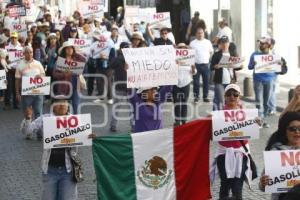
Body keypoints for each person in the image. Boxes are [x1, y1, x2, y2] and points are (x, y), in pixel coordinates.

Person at [20, 98, 94, 200]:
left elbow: (85, 136)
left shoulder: (75, 121)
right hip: (50, 171)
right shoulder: (45, 119)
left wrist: (91, 136)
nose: (62, 105)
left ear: (68, 105)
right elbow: (27, 132)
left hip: (68, 171)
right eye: (59, 103)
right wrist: (28, 118)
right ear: (53, 107)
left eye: (64, 102)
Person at [210, 84, 254, 200]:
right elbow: (211, 135)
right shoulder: (218, 114)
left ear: (239, 96)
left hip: (241, 153)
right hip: (223, 154)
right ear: (224, 96)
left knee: (237, 186)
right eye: (229, 94)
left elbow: (253, 130)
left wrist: (257, 122)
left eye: (235, 94)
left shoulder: (247, 113)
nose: (232, 97)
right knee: (225, 184)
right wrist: (210, 123)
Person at [259, 112, 300, 200]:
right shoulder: (276, 153)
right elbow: (263, 187)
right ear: (284, 131)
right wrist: (263, 183)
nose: (297, 132)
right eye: (292, 129)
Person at [248, 37, 285, 128]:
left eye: (262, 43)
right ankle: (259, 121)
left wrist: (281, 64)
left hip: (270, 81)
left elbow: (280, 67)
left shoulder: (274, 55)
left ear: (268, 45)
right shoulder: (254, 54)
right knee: (259, 101)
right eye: (259, 43)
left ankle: (262, 120)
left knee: (266, 103)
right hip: (258, 81)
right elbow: (249, 67)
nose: (260, 45)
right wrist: (253, 64)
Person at [15, 46, 45, 139]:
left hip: (38, 92)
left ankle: (39, 133)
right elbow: (17, 80)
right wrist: (17, 93)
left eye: (31, 52)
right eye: (27, 52)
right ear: (24, 54)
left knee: (38, 113)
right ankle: (28, 132)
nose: (29, 54)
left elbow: (44, 75)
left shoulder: (38, 63)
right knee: (28, 114)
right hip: (26, 94)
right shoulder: (20, 65)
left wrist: (40, 76)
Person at [52, 41, 86, 114]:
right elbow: (54, 74)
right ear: (64, 50)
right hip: (63, 87)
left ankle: (76, 124)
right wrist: (64, 74)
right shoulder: (59, 61)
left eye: (71, 48)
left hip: (75, 86)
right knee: (64, 109)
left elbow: (84, 59)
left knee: (76, 107)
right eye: (67, 48)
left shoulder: (77, 59)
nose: (69, 50)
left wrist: (76, 53)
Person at [211, 36, 242, 110]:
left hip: (231, 81)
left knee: (229, 100)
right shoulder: (217, 54)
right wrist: (216, 66)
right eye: (223, 43)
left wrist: (240, 66)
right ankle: (217, 116)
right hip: (219, 81)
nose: (224, 44)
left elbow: (236, 67)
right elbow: (211, 67)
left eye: (226, 42)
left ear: (229, 43)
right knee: (220, 99)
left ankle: (227, 116)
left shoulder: (233, 54)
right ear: (220, 44)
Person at [109, 42, 134, 132]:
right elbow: (111, 65)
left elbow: (111, 65)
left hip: (127, 87)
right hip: (123, 87)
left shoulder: (130, 58)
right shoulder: (119, 59)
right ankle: (114, 125)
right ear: (120, 49)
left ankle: (114, 125)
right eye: (125, 48)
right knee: (128, 108)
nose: (126, 50)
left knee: (125, 108)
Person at [89, 31, 115, 104]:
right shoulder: (95, 45)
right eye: (100, 39)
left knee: (108, 81)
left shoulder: (110, 44)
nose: (101, 40)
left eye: (102, 38)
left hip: (108, 66)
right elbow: (92, 54)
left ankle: (110, 98)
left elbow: (113, 56)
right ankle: (101, 97)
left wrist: (106, 58)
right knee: (99, 81)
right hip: (99, 65)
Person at [173, 43, 196, 126]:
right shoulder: (174, 58)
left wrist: (193, 68)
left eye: (183, 47)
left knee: (184, 102)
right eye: (180, 47)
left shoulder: (190, 58)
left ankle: (183, 120)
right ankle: (177, 120)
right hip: (176, 83)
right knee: (176, 102)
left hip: (186, 82)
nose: (182, 48)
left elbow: (194, 72)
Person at [189, 27, 213, 103]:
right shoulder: (192, 43)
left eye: (201, 33)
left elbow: (211, 52)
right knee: (196, 82)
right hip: (196, 65)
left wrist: (208, 59)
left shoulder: (208, 42)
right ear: (196, 34)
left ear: (204, 33)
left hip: (206, 65)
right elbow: (189, 55)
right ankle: (196, 97)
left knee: (206, 82)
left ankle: (205, 97)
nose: (200, 34)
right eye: (198, 33)